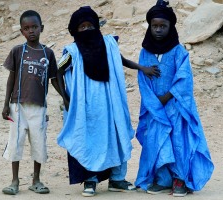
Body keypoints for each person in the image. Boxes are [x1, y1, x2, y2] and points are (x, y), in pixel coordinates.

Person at [56, 6, 160, 197]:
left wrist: (142, 68)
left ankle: (117, 179)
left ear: (96, 26)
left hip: (110, 104)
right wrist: (66, 98)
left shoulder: (108, 44)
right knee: (88, 140)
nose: (87, 30)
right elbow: (57, 72)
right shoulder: (72, 51)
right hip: (86, 108)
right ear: (75, 30)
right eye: (82, 27)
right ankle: (90, 181)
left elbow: (121, 60)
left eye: (90, 26)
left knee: (116, 137)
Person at [134, 0, 214, 197]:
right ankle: (162, 180)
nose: (158, 30)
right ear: (150, 26)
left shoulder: (179, 52)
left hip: (176, 107)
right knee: (156, 141)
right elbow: (143, 81)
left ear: (171, 27)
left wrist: (166, 97)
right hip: (154, 108)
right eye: (155, 26)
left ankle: (180, 179)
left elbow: (184, 79)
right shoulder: (145, 53)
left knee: (178, 141)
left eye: (163, 26)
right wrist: (155, 102)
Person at [1, 10, 60, 195]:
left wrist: (67, 98)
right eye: (26, 28)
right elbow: (11, 79)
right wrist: (5, 104)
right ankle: (14, 181)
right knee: (16, 143)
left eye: (34, 27)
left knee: (39, 144)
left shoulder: (48, 53)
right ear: (21, 32)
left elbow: (54, 79)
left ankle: (36, 180)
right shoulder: (17, 51)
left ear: (41, 28)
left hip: (39, 108)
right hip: (17, 106)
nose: (31, 31)